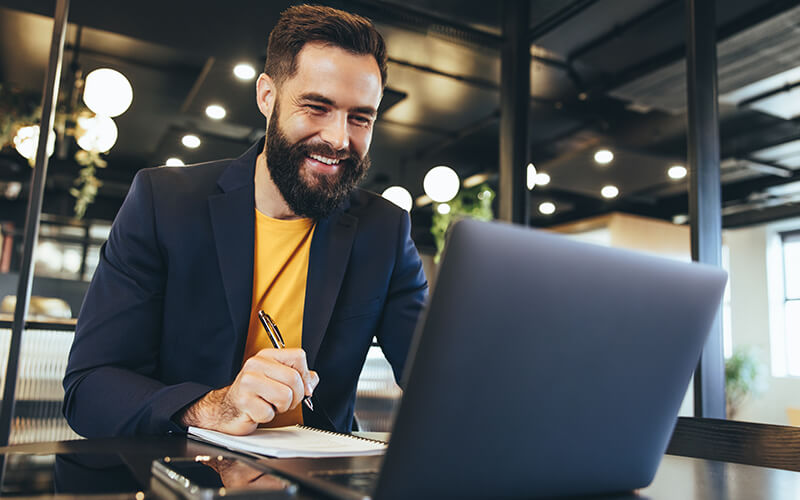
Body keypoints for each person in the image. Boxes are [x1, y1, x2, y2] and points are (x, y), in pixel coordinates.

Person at [62, 4, 428, 437]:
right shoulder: (163, 203)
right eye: (316, 107)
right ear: (267, 96)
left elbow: (436, 376)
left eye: (361, 118)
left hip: (316, 480)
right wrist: (213, 407)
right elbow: (90, 388)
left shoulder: (384, 229)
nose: (338, 138)